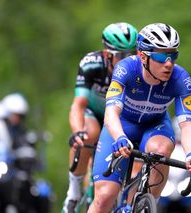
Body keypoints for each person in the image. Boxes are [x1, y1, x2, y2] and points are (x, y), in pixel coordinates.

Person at [88, 23, 191, 213]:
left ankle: (145, 204)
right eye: (161, 56)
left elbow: (187, 125)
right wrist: (119, 137)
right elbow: (111, 113)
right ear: (142, 55)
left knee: (161, 150)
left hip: (155, 125)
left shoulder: (181, 79)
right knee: (103, 198)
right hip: (123, 125)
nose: (169, 63)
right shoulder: (126, 69)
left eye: (173, 55)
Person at [62, 22, 138, 213]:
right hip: (94, 115)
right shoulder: (92, 63)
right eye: (121, 56)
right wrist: (77, 132)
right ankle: (73, 192)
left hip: (121, 118)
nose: (128, 60)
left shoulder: (140, 69)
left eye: (133, 54)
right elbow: (78, 105)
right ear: (107, 55)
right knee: (87, 135)